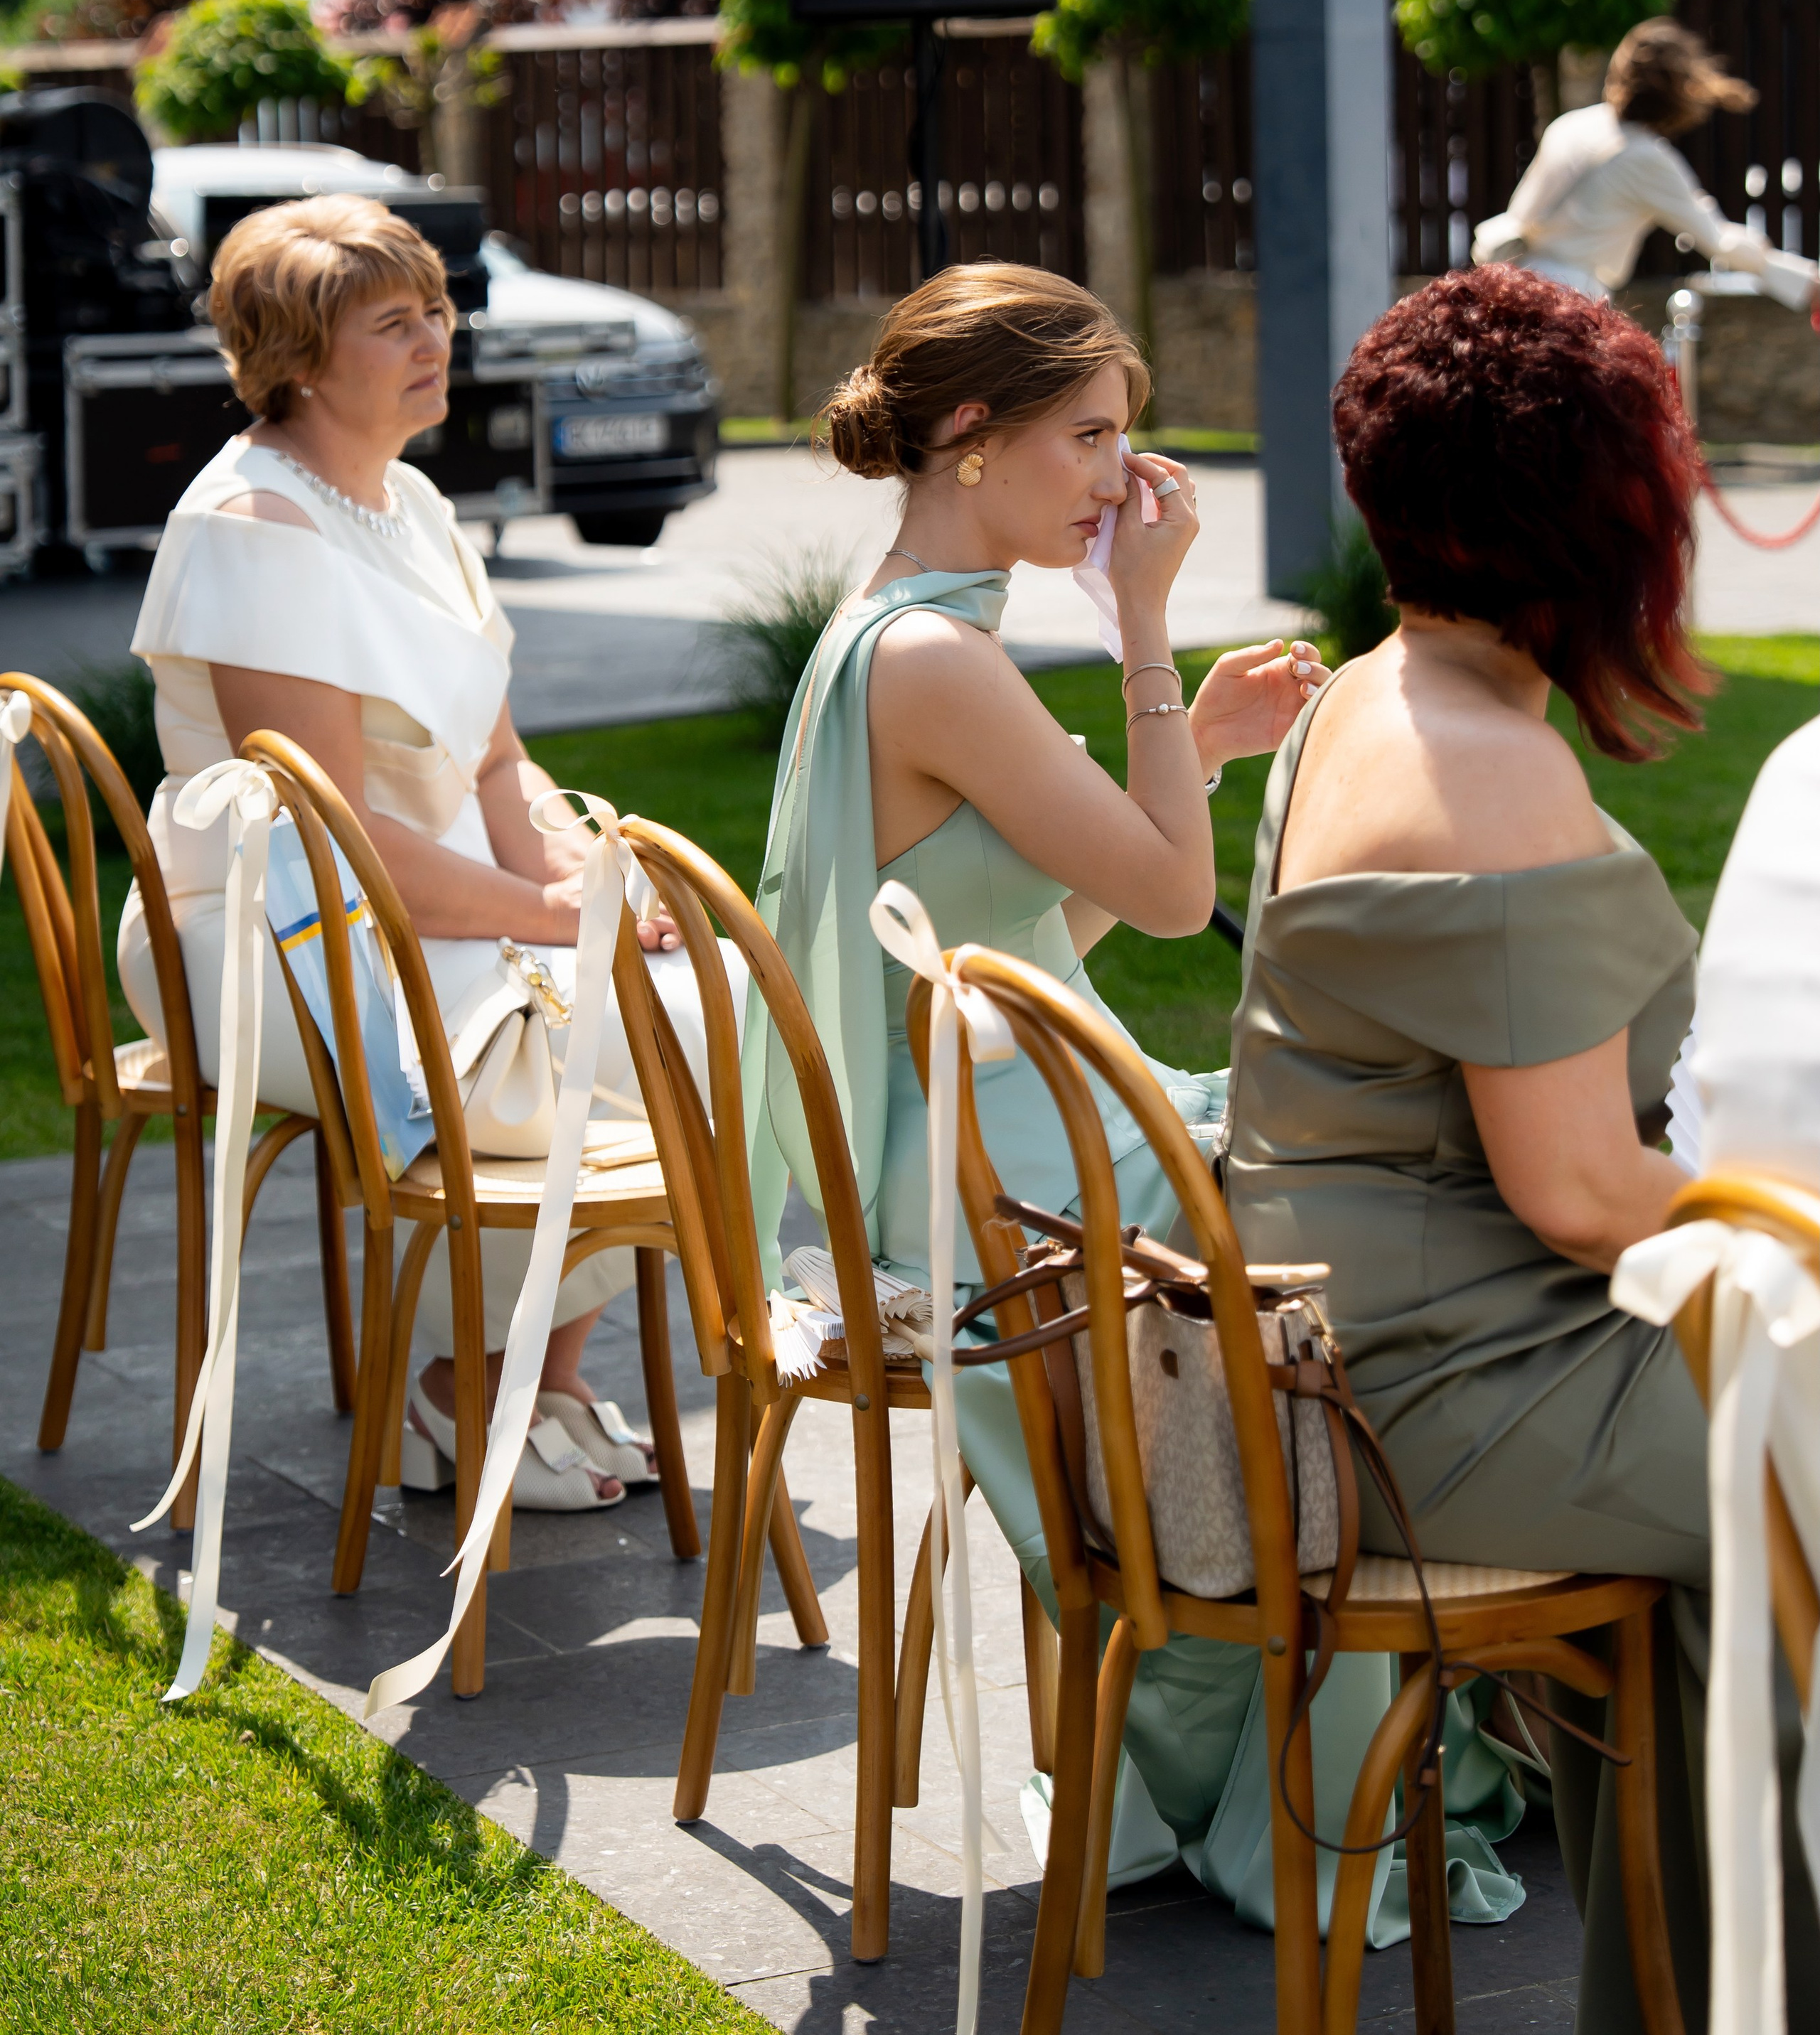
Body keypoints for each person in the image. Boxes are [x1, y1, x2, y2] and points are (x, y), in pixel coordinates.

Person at [743, 262, 1518, 1938]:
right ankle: (1373, 1700)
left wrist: (1203, 752)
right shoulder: (932, 663)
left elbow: (1026, 934)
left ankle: (1380, 1682)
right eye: (1088, 434)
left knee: (1398, 1166)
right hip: (1013, 1191)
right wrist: (1149, 639)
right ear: (967, 433)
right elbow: (1174, 903)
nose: (1117, 478)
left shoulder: (898, 638)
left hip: (994, 1128)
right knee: (1409, 1219)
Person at [1225, 262, 1820, 2025]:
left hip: (1371, 1348)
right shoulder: (1483, 768)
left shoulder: (1364, 695)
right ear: (1598, 508)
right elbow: (1580, 1197)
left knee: (1731, 1529)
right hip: (1450, 1389)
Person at [120, 193, 722, 1510]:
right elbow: (331, 838)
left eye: (437, 309)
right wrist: (564, 924)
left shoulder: (418, 506)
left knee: (700, 1005)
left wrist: (581, 878)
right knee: (623, 1033)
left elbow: (498, 761)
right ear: (294, 358)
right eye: (391, 321)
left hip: (442, 899)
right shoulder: (250, 527)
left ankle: (537, 1376)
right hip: (279, 930)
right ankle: (465, 1381)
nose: (434, 337)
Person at [1472, 16, 1816, 306]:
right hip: (1570, 299)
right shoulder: (1647, 158)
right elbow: (1720, 241)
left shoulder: (1572, 125)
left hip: (1510, 287)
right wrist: (1806, 283)